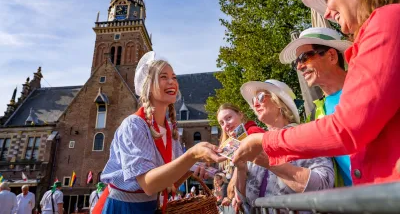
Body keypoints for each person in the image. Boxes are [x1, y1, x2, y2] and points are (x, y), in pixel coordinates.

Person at [233, 0, 400, 185]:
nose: (328, 12)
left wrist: (265, 141)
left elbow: (347, 129)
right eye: (297, 61)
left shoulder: (387, 19)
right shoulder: (319, 107)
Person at [96, 51, 225, 213]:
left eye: (174, 77)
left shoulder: (170, 129)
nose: (172, 81)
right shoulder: (134, 125)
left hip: (151, 206)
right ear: (148, 86)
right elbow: (149, 185)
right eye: (164, 77)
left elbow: (167, 184)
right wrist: (191, 155)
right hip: (124, 207)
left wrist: (189, 169)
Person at [233, 80, 334, 213]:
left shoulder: (304, 135)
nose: (255, 104)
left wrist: (271, 164)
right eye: (253, 100)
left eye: (261, 97)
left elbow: (324, 185)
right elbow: (244, 202)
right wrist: (241, 170)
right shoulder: (257, 145)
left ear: (279, 102)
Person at [279, 27, 353, 187]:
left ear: (332, 56)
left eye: (304, 57)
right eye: (296, 62)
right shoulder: (316, 113)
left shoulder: (366, 87)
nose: (299, 67)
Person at [216, 103, 264, 211]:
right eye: (221, 123)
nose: (226, 125)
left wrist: (232, 195)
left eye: (229, 118)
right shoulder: (233, 142)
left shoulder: (253, 133)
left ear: (240, 115)